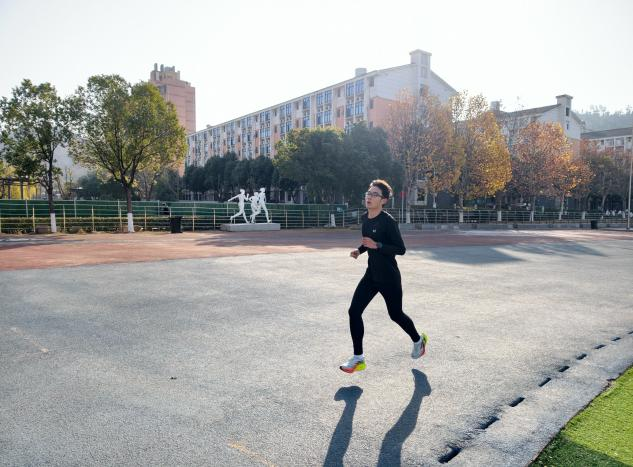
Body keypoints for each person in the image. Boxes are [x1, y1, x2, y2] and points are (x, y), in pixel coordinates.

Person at [340, 179, 428, 373]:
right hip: (371, 275)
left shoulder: (388, 221)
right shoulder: (365, 218)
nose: (369, 197)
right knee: (354, 311)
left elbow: (400, 249)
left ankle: (418, 340)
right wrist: (360, 250)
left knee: (395, 314)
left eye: (374, 194)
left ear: (384, 200)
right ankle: (358, 358)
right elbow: (369, 241)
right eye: (368, 193)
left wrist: (377, 246)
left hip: (389, 277)